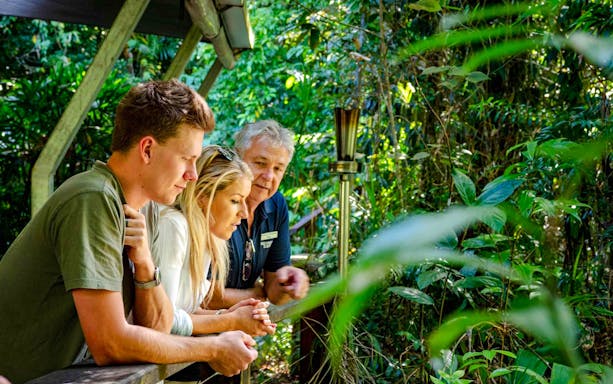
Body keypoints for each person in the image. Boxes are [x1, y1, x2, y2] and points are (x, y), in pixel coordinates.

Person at [0, 80, 257, 384]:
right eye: (187, 158)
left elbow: (156, 327)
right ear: (147, 149)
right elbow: (110, 343)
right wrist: (212, 347)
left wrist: (146, 267)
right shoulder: (93, 199)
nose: (193, 174)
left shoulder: (137, 208)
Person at [155, 145, 276, 337]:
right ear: (203, 196)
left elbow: (187, 310)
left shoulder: (206, 237)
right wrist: (229, 321)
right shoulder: (173, 226)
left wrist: (231, 314)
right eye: (235, 200)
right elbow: (162, 321)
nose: (244, 213)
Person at [208, 120, 310, 309]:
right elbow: (199, 294)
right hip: (192, 331)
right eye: (260, 163)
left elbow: (274, 289)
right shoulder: (212, 201)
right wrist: (257, 295)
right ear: (237, 158)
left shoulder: (276, 205)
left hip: (238, 331)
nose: (269, 176)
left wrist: (288, 284)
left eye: (278, 168)